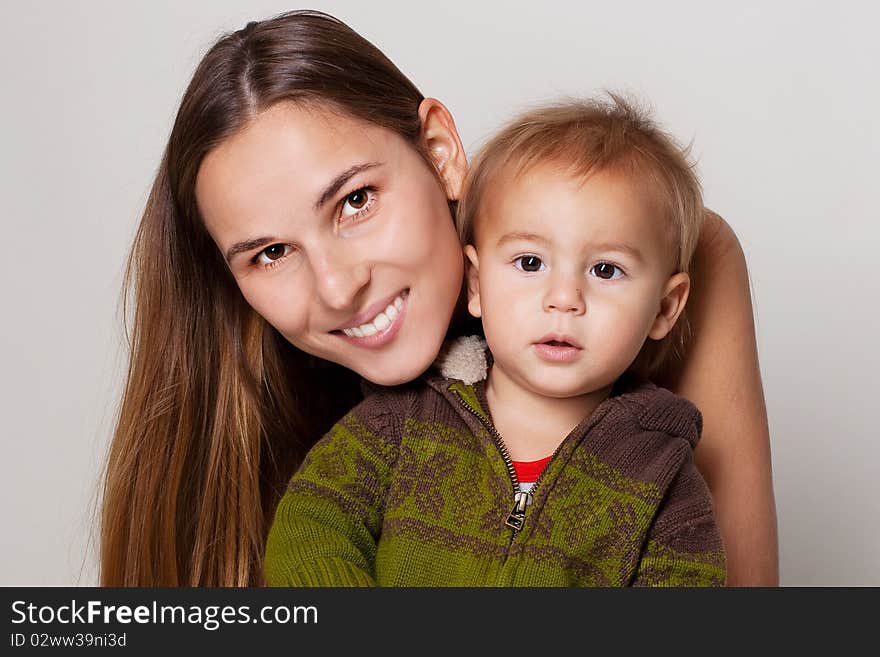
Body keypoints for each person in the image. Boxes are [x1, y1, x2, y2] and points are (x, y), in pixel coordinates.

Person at [100, 10, 776, 586]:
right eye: (270, 253)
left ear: (440, 149)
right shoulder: (297, 413)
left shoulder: (658, 250)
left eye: (355, 200)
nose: (338, 288)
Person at [263, 96, 726, 586]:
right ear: (478, 285)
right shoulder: (398, 426)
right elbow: (311, 524)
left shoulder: (664, 481)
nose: (563, 299)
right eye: (530, 263)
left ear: (664, 307)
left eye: (605, 270)